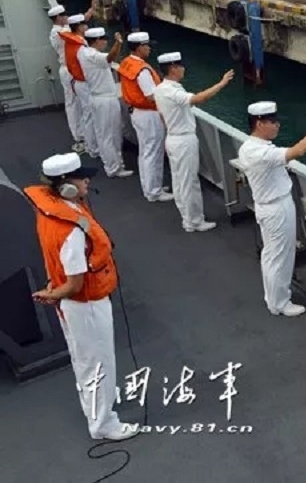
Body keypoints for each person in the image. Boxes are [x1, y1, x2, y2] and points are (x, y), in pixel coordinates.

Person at [24, 153, 136, 441]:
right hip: (86, 304)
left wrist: (54, 293)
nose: (87, 181)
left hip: (74, 305)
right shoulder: (70, 231)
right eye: (80, 177)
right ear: (65, 186)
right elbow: (74, 284)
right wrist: (52, 294)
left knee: (84, 359)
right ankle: (103, 424)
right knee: (99, 361)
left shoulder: (52, 211)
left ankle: (95, 405)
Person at [237, 101, 306, 317]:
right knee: (280, 256)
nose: (277, 125)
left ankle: (273, 297)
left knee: (271, 255)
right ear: (259, 124)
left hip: (270, 206)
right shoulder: (261, 153)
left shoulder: (249, 147)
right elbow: (298, 150)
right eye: (272, 122)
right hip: (275, 208)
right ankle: (280, 303)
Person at [152, 52, 233, 232]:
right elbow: (198, 99)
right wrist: (221, 83)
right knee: (189, 182)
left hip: (173, 137)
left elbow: (162, 116)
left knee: (179, 181)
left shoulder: (159, 89)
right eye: (180, 66)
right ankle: (194, 221)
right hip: (183, 139)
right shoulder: (173, 91)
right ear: (173, 68)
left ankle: (186, 217)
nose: (183, 69)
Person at [118, 32, 172, 202]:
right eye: (147, 45)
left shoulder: (127, 63)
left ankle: (149, 186)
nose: (149, 48)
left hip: (137, 113)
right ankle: (154, 191)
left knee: (145, 152)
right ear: (140, 47)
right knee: (153, 152)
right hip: (149, 114)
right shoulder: (142, 70)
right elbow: (151, 95)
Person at [79, 28, 131, 178]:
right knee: (109, 136)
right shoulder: (91, 54)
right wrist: (119, 43)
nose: (105, 42)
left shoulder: (83, 51)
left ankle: (116, 164)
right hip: (104, 99)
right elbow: (110, 58)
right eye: (103, 39)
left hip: (101, 98)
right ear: (96, 41)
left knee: (110, 134)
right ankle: (113, 168)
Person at [47, 3, 93, 153]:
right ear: (59, 18)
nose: (67, 17)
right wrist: (85, 16)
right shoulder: (57, 32)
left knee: (79, 103)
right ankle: (79, 136)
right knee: (73, 104)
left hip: (72, 69)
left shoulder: (63, 29)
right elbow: (73, 30)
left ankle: (84, 134)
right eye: (65, 15)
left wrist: (89, 12)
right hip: (68, 71)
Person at [58, 14, 100, 158]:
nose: (86, 25)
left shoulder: (72, 41)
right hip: (83, 83)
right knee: (89, 114)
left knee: (86, 113)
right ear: (80, 26)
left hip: (78, 81)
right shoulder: (79, 44)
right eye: (84, 24)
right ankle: (92, 147)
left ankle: (90, 144)